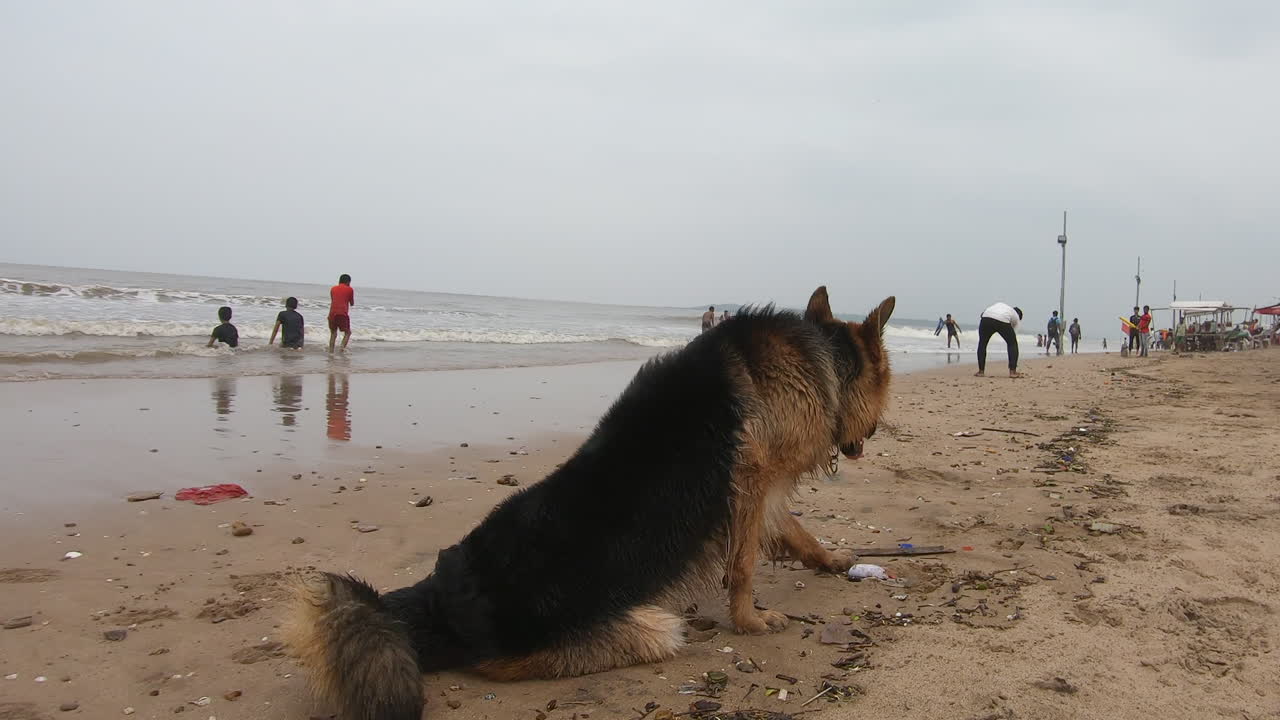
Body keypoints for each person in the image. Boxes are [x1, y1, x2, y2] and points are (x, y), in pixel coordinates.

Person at [975, 302, 1023, 378]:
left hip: (986, 317)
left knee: (982, 343)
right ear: (1019, 315)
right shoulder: (1016, 316)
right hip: (1002, 319)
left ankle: (981, 371)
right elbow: (1013, 339)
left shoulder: (1001, 306)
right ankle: (1013, 372)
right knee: (1012, 344)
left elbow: (982, 314)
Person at [328, 274, 355, 353]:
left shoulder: (333, 288)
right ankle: (341, 349)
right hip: (342, 313)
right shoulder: (350, 289)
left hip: (332, 313)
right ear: (348, 282)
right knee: (348, 332)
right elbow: (352, 303)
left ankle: (331, 352)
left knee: (333, 333)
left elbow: (333, 299)